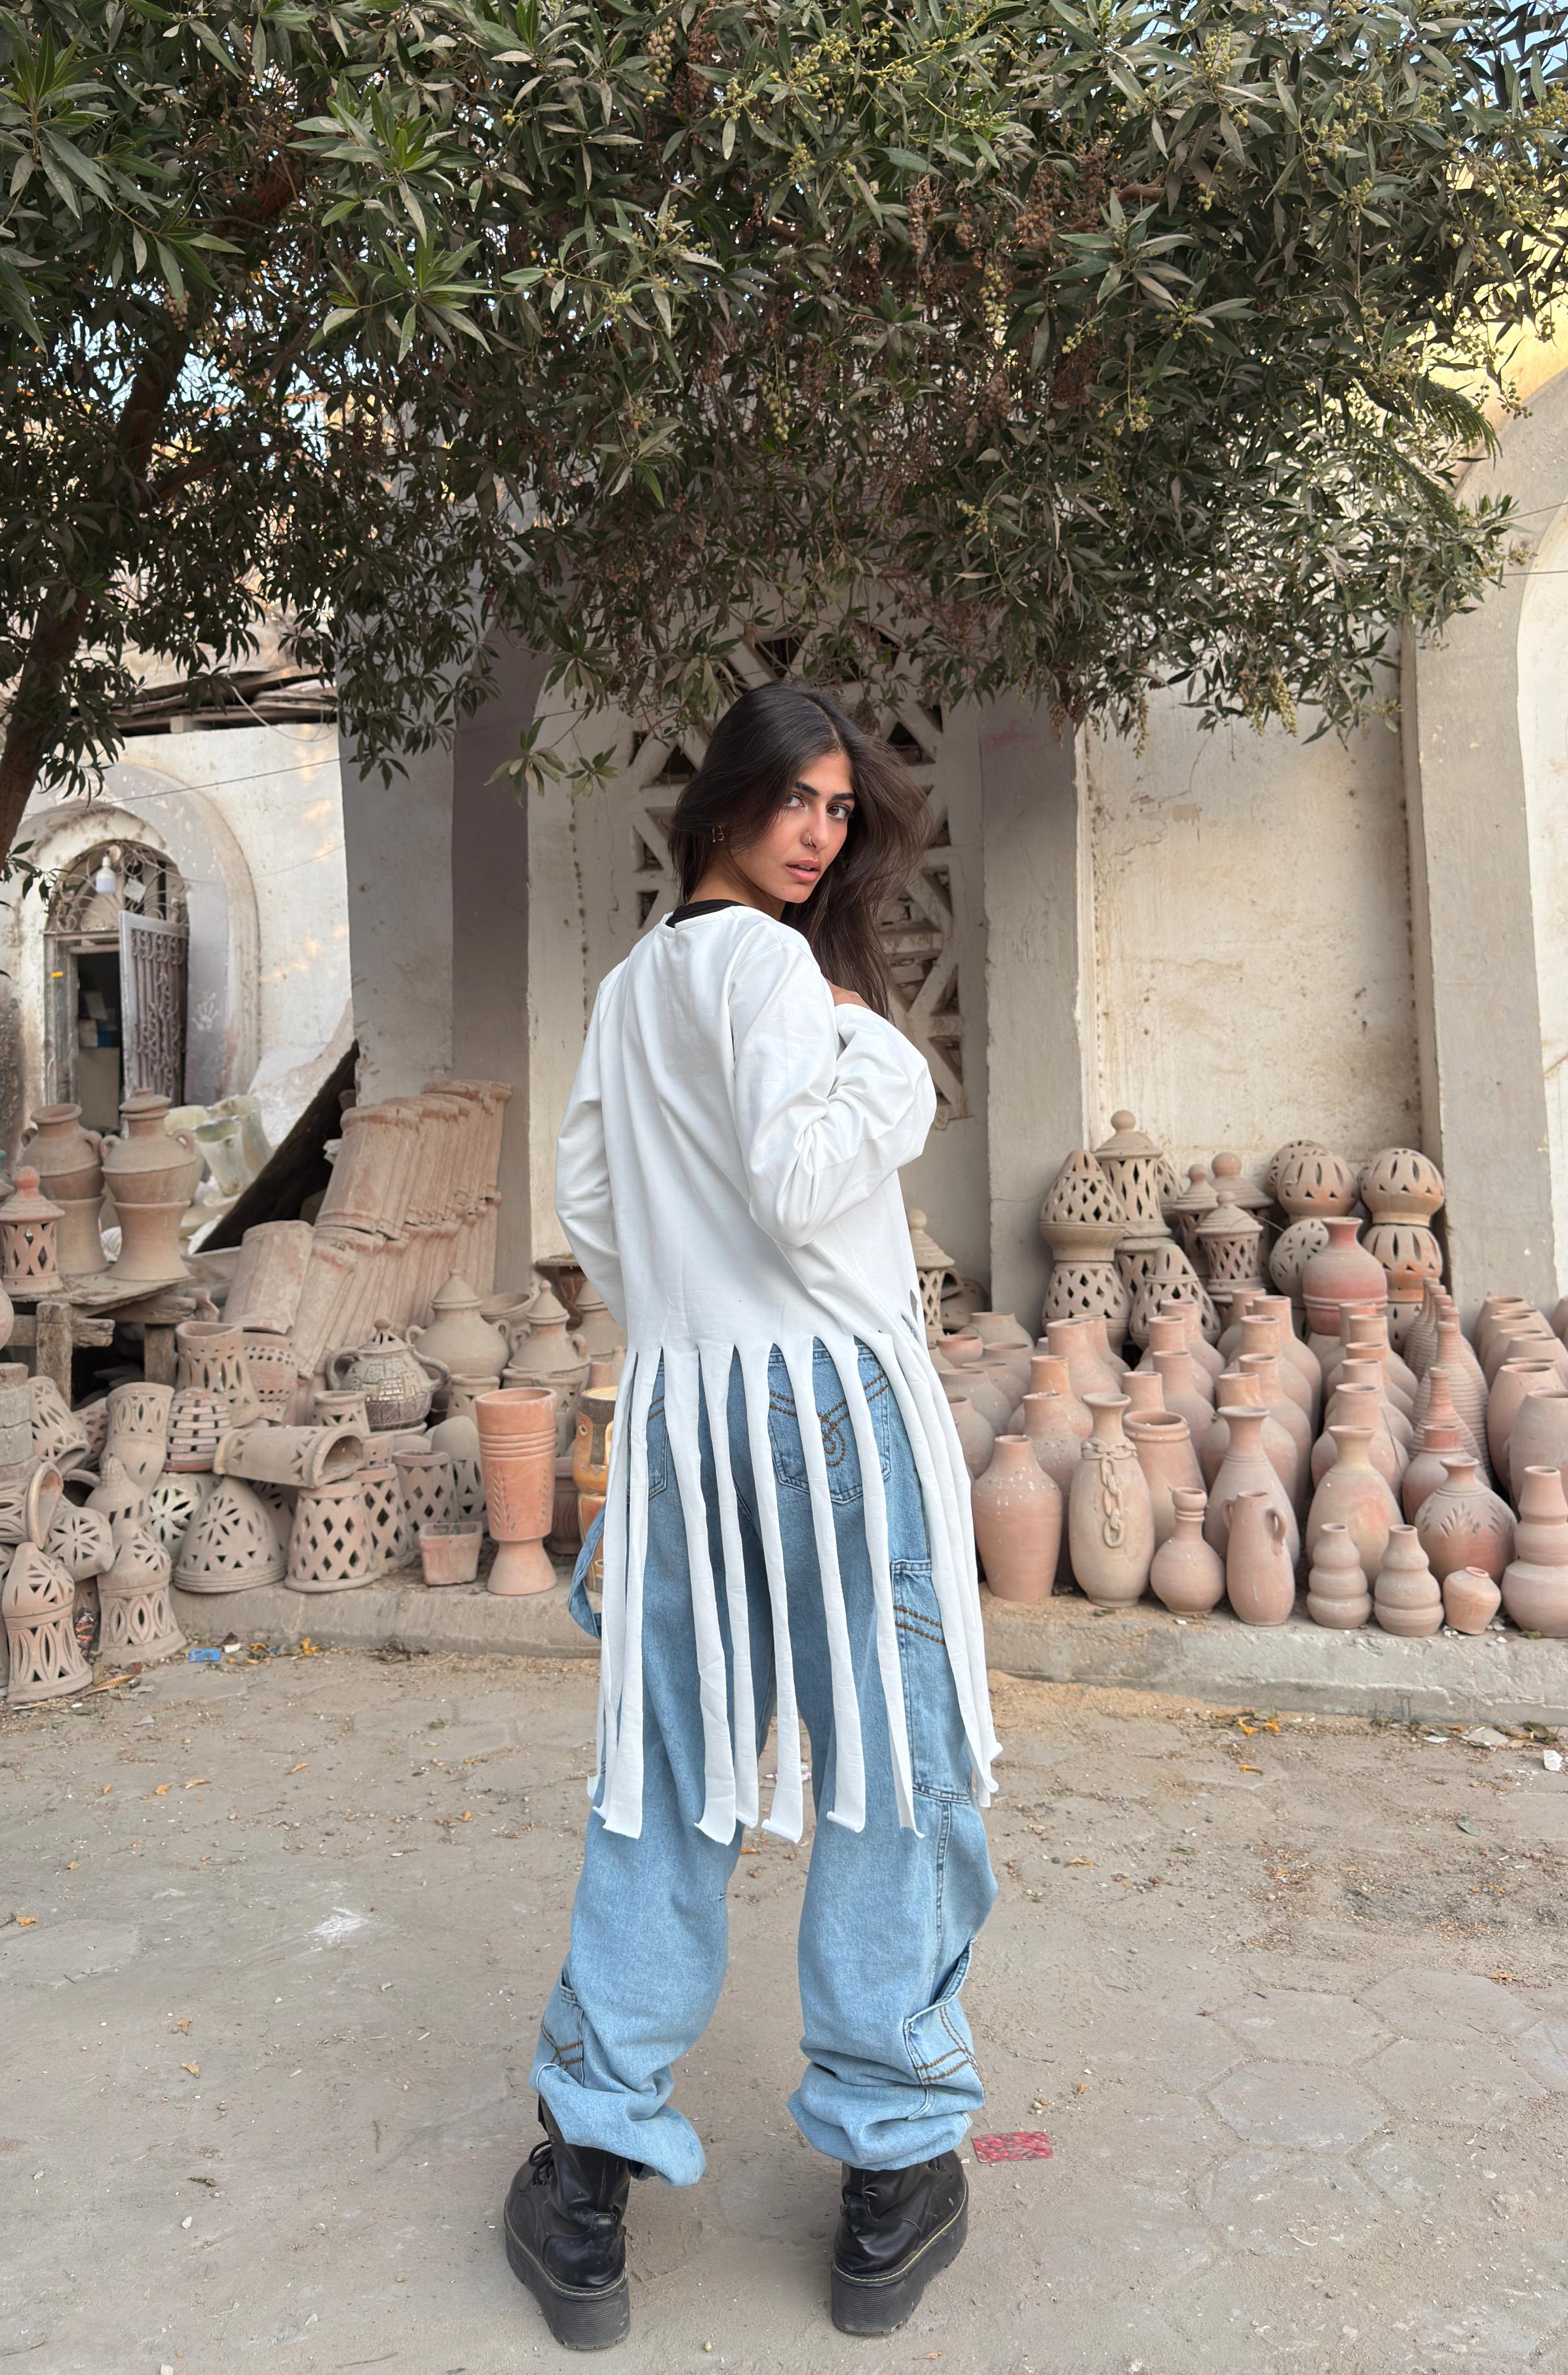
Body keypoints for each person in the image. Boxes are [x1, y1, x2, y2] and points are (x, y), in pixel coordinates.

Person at [501, 682, 999, 2350]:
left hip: (682, 1417)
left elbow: (585, 1204)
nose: (817, 828)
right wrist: (887, 1057)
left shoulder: (633, 988)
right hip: (834, 1411)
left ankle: (589, 2151)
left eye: (840, 808)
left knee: (670, 1770)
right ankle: (896, 2150)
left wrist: (692, 1325)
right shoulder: (781, 972)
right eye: (793, 796)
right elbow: (804, 1176)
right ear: (721, 798)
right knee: (888, 1767)